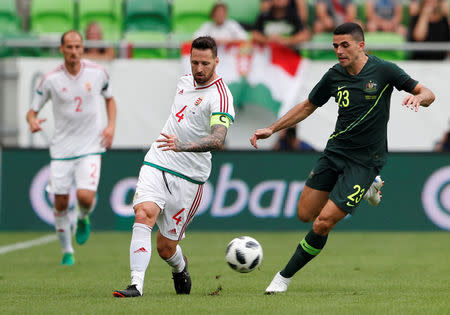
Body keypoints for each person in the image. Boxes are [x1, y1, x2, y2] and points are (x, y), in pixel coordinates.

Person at [250, 22, 435, 293]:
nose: (338, 50)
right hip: (335, 152)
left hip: (365, 161)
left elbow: (428, 92)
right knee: (305, 214)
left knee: (323, 222)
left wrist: (419, 99)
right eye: (335, 46)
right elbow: (307, 106)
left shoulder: (384, 70)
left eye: (344, 45)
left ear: (361, 45)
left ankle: (283, 278)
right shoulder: (334, 75)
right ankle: (371, 187)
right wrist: (272, 128)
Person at [113, 36, 235, 298]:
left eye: (205, 63)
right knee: (144, 213)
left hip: (189, 177)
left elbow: (218, 139)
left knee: (166, 248)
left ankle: (180, 267)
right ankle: (136, 285)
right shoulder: (183, 82)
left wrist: (183, 145)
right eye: (194, 62)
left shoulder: (221, 97)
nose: (199, 69)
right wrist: (173, 145)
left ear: (216, 61)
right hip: (158, 159)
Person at [26, 30, 117, 266]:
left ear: (82, 48)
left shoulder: (97, 73)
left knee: (85, 197)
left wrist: (111, 127)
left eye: (78, 47)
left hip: (90, 146)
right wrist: (32, 121)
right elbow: (32, 111)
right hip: (62, 150)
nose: (74, 51)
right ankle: (67, 251)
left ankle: (84, 217)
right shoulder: (51, 80)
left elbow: (110, 98)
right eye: (69, 47)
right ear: (62, 49)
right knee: (61, 203)